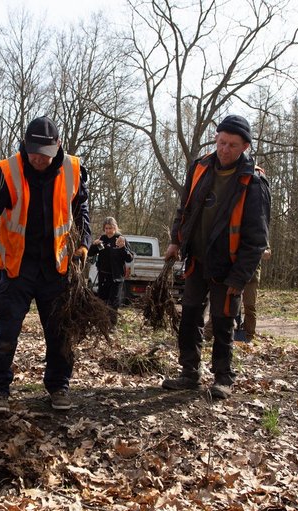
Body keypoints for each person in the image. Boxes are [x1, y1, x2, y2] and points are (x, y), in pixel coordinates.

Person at [0, 116, 90, 414]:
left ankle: (58, 386)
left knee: (59, 332)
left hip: (55, 267)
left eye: (43, 152)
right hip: (17, 266)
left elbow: (81, 209)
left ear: (57, 147)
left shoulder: (72, 170)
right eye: (32, 151)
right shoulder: (10, 171)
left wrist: (84, 242)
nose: (37, 158)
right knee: (7, 331)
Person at [161, 114, 271, 399]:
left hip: (229, 266)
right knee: (190, 318)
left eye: (232, 145)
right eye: (221, 142)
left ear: (245, 147)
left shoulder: (254, 182)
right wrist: (176, 240)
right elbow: (184, 208)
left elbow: (257, 238)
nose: (224, 149)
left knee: (224, 323)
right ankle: (189, 373)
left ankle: (223, 377)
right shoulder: (199, 167)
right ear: (216, 138)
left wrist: (240, 276)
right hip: (196, 260)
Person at [90, 216, 134, 325]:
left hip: (116, 277)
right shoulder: (103, 239)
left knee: (113, 303)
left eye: (110, 228)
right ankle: (102, 324)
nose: (108, 231)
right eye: (106, 228)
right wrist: (94, 245)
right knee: (102, 301)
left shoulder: (120, 239)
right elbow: (90, 253)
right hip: (103, 276)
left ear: (115, 228)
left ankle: (112, 325)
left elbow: (130, 258)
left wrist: (123, 247)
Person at [236, 246, 271, 342]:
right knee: (225, 304)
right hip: (235, 274)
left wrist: (257, 251)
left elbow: (267, 254)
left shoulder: (260, 233)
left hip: (252, 276)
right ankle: (209, 333)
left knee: (249, 306)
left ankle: (249, 335)